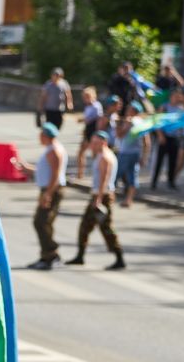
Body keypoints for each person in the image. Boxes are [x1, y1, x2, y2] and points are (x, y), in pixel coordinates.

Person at [71, 129, 124, 269]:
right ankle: (80, 256)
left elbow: (104, 180)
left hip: (103, 196)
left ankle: (119, 257)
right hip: (100, 195)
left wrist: (98, 199)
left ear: (103, 142)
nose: (92, 146)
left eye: (95, 143)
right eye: (92, 142)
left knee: (106, 227)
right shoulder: (101, 155)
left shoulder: (105, 157)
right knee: (86, 226)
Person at [23, 122, 68, 270]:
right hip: (48, 190)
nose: (39, 137)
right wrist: (27, 168)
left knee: (41, 222)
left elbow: (55, 174)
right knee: (43, 222)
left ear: (45, 135)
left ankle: (50, 254)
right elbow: (45, 170)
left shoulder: (53, 150)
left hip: (51, 191)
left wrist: (48, 194)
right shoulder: (51, 149)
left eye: (41, 134)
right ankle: (47, 255)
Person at [77, 86, 103, 172]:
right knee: (81, 152)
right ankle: (80, 173)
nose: (85, 99)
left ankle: (97, 173)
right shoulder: (88, 107)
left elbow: (94, 119)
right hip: (88, 131)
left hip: (94, 132)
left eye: (87, 96)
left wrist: (83, 119)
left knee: (95, 155)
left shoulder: (96, 106)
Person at [39, 68, 72, 132]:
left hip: (59, 108)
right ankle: (50, 135)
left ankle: (54, 134)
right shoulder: (48, 84)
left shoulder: (64, 83)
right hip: (49, 108)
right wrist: (41, 105)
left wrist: (69, 103)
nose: (56, 77)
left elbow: (68, 94)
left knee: (58, 123)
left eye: (58, 75)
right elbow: (43, 95)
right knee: (49, 123)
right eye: (55, 75)